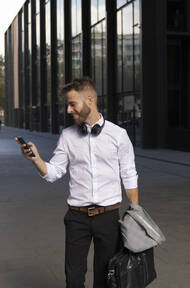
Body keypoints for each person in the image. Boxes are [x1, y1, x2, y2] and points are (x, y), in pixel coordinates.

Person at [16, 76, 139, 288]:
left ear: (90, 99)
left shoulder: (118, 135)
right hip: (76, 218)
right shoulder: (67, 135)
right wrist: (36, 159)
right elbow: (54, 172)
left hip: (108, 217)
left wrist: (136, 212)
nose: (69, 110)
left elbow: (129, 173)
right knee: (73, 279)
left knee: (106, 278)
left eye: (73, 104)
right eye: (68, 105)